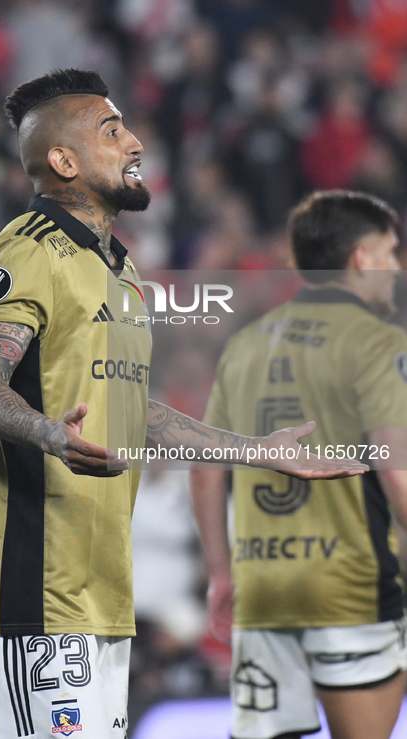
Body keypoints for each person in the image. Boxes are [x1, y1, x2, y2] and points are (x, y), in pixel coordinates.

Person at [0, 70, 365, 739]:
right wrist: (50, 434)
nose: (135, 142)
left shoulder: (120, 270)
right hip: (31, 597)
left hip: (101, 596)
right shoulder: (26, 249)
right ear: (63, 160)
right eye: (111, 131)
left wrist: (255, 451)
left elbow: (130, 409)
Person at [191, 190, 407, 739]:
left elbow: (206, 467)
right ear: (361, 258)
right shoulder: (380, 342)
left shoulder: (244, 343)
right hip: (351, 588)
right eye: (390, 253)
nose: (396, 268)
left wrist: (222, 573)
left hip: (263, 585)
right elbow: (397, 476)